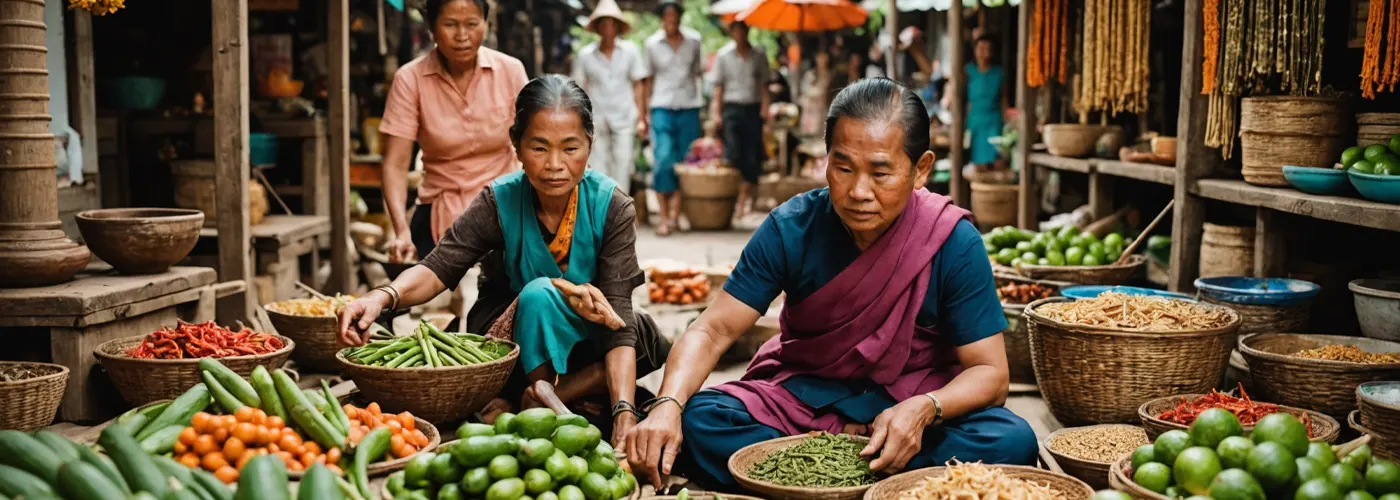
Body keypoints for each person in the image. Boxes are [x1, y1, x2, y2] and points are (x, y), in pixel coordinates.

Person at [622, 78, 1037, 490]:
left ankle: (802, 483)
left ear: (920, 170)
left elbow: (990, 372)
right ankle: (885, 481)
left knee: (1012, 441)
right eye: (843, 168)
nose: (859, 191)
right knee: (699, 419)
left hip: (914, 407)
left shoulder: (952, 240)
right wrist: (667, 404)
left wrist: (926, 408)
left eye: (880, 172)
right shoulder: (792, 228)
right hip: (806, 400)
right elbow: (713, 329)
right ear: (825, 160)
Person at [340, 75, 671, 446]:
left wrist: (623, 412)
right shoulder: (498, 201)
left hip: (587, 336)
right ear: (516, 145)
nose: (555, 165)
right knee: (538, 296)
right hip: (517, 345)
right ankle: (544, 394)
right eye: (539, 148)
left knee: (638, 333)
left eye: (570, 148)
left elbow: (619, 316)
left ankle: (549, 397)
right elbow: (440, 267)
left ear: (590, 146)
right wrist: (381, 296)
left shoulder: (612, 206)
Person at [379, 0, 529, 263]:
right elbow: (396, 163)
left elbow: (532, 145)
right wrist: (401, 231)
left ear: (486, 24)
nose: (462, 36)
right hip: (440, 215)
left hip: (507, 211)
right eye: (450, 24)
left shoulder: (511, 71)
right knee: (431, 296)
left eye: (472, 24)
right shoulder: (410, 79)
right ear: (432, 28)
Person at [572, 0, 648, 194]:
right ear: (597, 27)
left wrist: (642, 117)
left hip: (624, 115)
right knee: (598, 166)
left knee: (623, 165)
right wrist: (578, 120)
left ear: (617, 27)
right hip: (596, 118)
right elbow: (578, 89)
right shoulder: (585, 55)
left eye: (612, 23)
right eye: (603, 23)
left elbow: (639, 84)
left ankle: (620, 213)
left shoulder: (630, 51)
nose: (608, 28)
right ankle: (602, 211)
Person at [642, 1, 704, 236]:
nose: (671, 20)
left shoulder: (695, 41)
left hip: (689, 106)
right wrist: (644, 114)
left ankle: (676, 216)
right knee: (663, 160)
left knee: (685, 162)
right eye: (667, 16)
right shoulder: (651, 44)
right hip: (661, 107)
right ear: (661, 19)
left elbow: (697, 74)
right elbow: (647, 80)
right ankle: (664, 217)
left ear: (680, 17)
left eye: (674, 16)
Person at [709, 21, 770, 222]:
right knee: (733, 155)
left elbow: (764, 85)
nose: (739, 34)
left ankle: (743, 203)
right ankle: (733, 200)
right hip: (731, 109)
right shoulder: (723, 55)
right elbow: (718, 87)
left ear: (747, 31)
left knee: (752, 158)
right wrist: (716, 113)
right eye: (735, 31)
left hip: (752, 110)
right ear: (732, 33)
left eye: (742, 30)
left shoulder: (759, 55)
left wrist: (765, 109)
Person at [964, 34, 1007, 167]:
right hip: (974, 120)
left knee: (996, 158)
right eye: (980, 48)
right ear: (975, 50)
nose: (983, 52)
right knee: (977, 161)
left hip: (993, 120)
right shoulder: (968, 71)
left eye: (987, 48)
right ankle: (977, 187)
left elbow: (1003, 98)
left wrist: (1007, 120)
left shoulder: (999, 73)